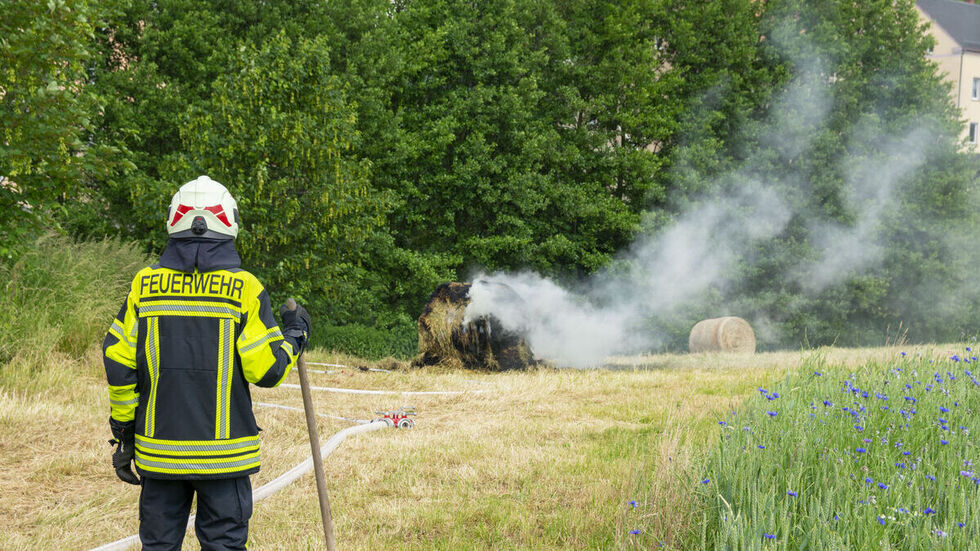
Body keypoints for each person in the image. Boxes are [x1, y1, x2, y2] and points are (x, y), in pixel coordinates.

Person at [102, 175, 311, 550]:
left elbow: (118, 360)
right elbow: (266, 370)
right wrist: (295, 337)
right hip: (225, 459)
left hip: (160, 455)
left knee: (158, 545)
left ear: (174, 220)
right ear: (230, 221)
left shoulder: (144, 286)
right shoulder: (244, 289)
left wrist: (124, 431)